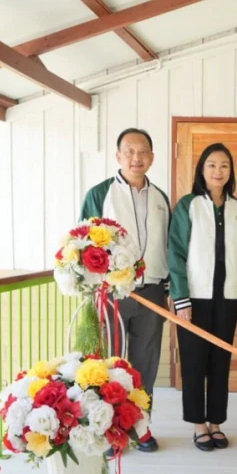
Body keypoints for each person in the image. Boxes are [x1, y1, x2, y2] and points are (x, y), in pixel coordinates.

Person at [79, 128, 169, 452]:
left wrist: (168, 290)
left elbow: (167, 246)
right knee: (113, 365)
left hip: (153, 294)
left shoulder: (160, 198)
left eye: (143, 151)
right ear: (118, 156)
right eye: (129, 151)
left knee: (146, 364)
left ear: (151, 158)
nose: (136, 157)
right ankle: (110, 432)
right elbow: (82, 243)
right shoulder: (99, 194)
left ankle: (141, 428)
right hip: (113, 295)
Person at [168, 143, 237, 451]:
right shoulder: (187, 205)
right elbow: (175, 253)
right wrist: (181, 298)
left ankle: (216, 421)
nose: (218, 171)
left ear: (231, 172)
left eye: (224, 166)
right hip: (194, 299)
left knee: (220, 362)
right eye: (212, 165)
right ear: (202, 170)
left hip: (227, 299)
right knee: (193, 363)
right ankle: (198, 424)